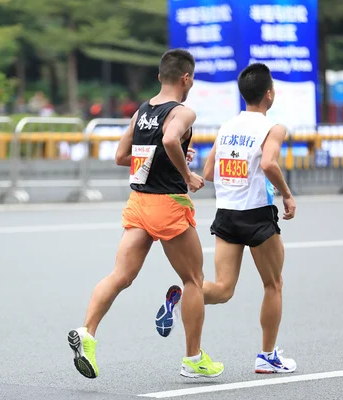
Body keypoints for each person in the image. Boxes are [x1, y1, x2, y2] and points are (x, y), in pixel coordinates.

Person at [68, 49, 224, 380]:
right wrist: (187, 174)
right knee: (193, 280)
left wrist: (177, 155)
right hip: (168, 205)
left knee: (120, 276)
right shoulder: (184, 112)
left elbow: (122, 155)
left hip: (139, 203)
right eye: (191, 79)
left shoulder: (143, 111)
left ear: (159, 77)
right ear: (186, 78)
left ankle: (88, 332)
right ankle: (193, 358)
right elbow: (169, 138)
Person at [154, 63, 297, 374]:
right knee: (274, 284)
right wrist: (286, 194)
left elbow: (208, 172)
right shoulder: (273, 128)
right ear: (269, 95)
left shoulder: (227, 127)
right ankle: (267, 356)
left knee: (222, 288)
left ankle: (180, 300)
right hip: (257, 214)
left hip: (227, 215)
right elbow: (270, 164)